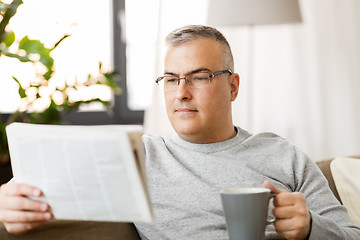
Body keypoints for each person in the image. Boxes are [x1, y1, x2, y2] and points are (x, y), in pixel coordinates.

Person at [0, 25, 359, 239]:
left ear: (233, 87)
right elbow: (45, 183)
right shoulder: (138, 155)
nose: (182, 91)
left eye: (200, 77)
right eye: (171, 79)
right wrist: (7, 200)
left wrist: (310, 227)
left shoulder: (284, 155)